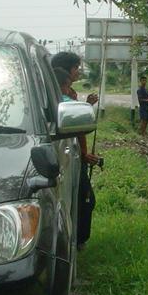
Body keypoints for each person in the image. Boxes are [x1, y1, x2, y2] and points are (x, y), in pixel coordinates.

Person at [51, 51, 99, 250]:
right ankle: (77, 242)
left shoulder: (66, 92)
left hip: (75, 155)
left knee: (83, 200)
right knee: (84, 201)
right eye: (76, 67)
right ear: (67, 70)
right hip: (66, 157)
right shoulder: (61, 95)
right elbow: (75, 125)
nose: (78, 71)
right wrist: (86, 107)